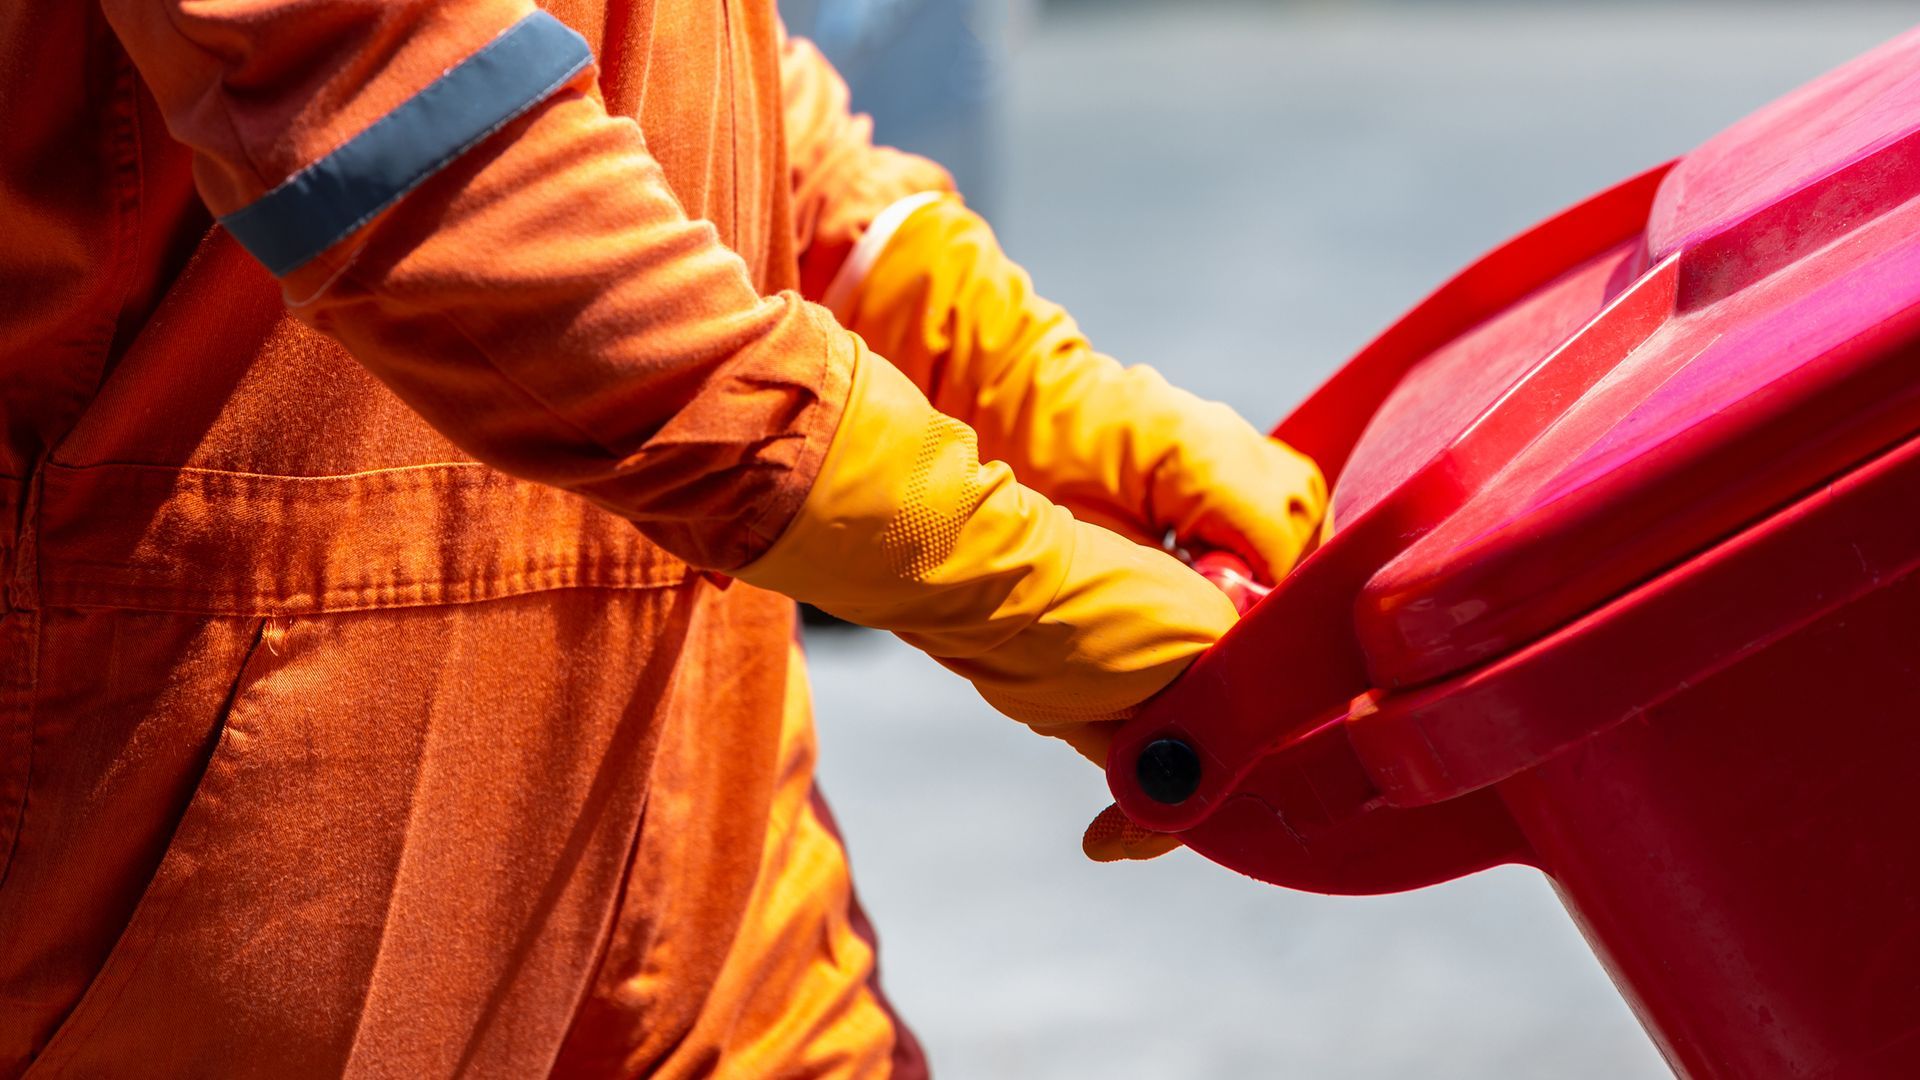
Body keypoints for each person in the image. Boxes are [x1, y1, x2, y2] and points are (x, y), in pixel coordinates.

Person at [0, 2, 1325, 1075]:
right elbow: (407, 132)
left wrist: (995, 349)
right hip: (264, 799)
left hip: (693, 773)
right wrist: (971, 555)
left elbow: (663, 44)